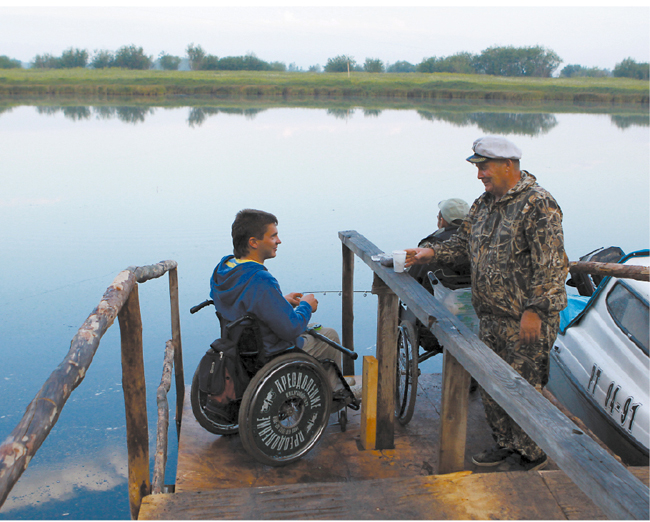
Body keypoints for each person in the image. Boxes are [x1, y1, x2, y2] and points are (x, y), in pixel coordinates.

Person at [405, 136, 568, 472]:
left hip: (525, 320)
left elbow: (551, 265)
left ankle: (532, 454)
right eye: (478, 167)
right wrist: (432, 252)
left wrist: (535, 312)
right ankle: (507, 445)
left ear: (508, 165)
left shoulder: (539, 204)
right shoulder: (482, 205)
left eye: (484, 166)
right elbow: (464, 243)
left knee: (524, 389)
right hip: (490, 317)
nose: (479, 174)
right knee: (493, 386)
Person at [210, 209, 351, 394]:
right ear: (253, 242)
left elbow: (245, 307)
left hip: (240, 347)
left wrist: (281, 301)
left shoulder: (224, 268)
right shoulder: (260, 279)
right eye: (273, 236)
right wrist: (306, 306)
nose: (279, 241)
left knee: (313, 328)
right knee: (328, 335)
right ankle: (333, 395)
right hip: (269, 353)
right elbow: (292, 328)